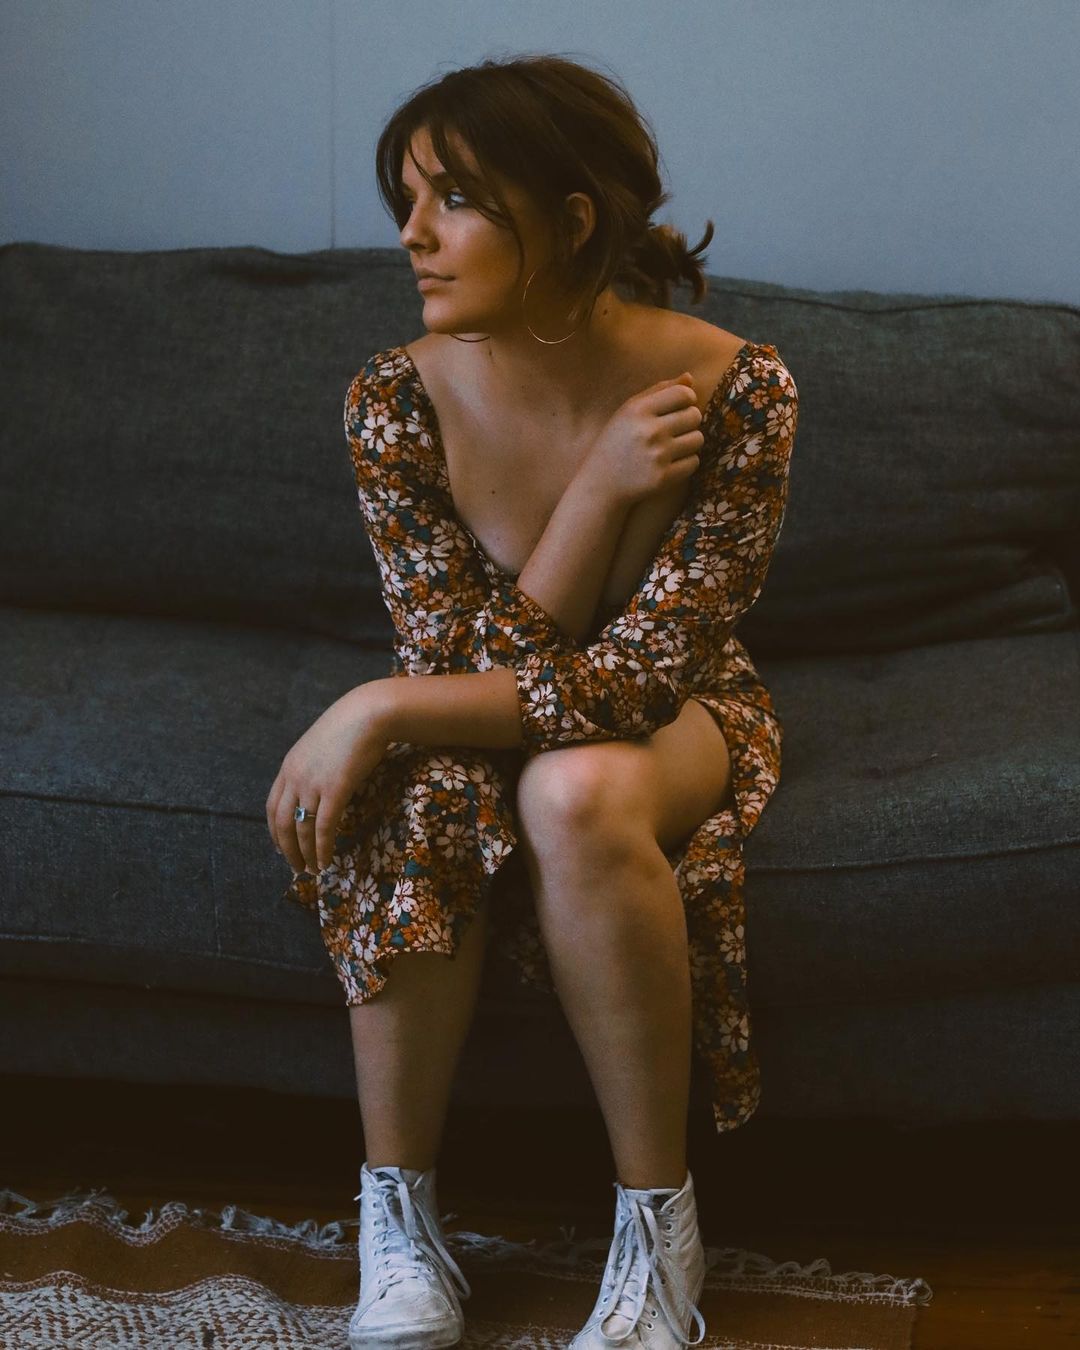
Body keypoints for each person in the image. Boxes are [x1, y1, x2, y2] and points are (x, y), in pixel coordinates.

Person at [267, 52, 798, 1350]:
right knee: (421, 783)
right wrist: (598, 495)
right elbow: (454, 656)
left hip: (676, 713)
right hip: (501, 695)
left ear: (568, 219)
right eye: (405, 199)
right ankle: (398, 1218)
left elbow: (633, 680)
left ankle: (659, 1229)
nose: (412, 234)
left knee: (571, 786)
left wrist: (383, 704)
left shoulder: (739, 391)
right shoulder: (393, 399)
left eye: (451, 199)